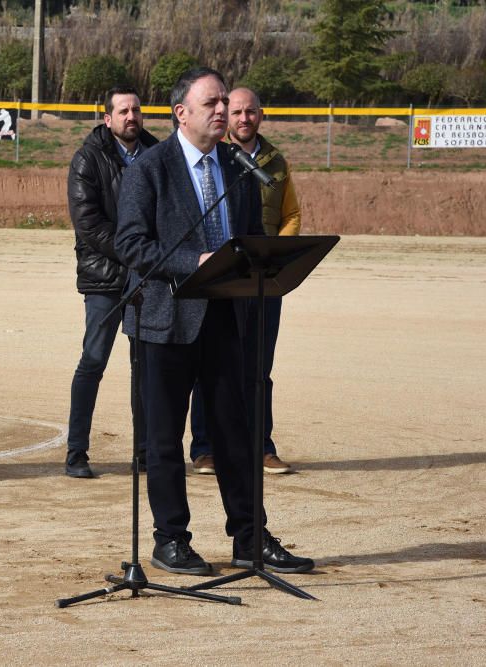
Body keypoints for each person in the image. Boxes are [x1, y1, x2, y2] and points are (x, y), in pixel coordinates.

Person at [114, 67, 313, 575]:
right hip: (164, 322)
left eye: (226, 101)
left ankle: (249, 537)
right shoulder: (150, 168)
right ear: (182, 113)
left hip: (226, 317)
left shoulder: (239, 166)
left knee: (236, 433)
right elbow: (131, 244)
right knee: (163, 438)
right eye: (212, 103)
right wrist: (193, 263)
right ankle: (170, 539)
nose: (224, 111)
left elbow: (247, 235)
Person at [189, 86, 302, 476]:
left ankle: (261, 446)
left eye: (249, 112)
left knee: (259, 368)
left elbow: (291, 215)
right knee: (210, 366)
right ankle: (205, 448)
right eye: (235, 111)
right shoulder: (215, 158)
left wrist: (275, 259)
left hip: (263, 280)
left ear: (261, 115)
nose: (242, 118)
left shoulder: (276, 162)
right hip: (222, 277)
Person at [64, 86, 158, 479]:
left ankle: (145, 452)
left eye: (136, 110)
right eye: (123, 111)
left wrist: (149, 258)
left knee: (146, 366)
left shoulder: (158, 155)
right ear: (108, 118)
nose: (131, 116)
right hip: (105, 277)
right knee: (93, 360)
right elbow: (88, 225)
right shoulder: (88, 158)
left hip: (147, 276)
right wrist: (135, 252)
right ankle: (76, 453)